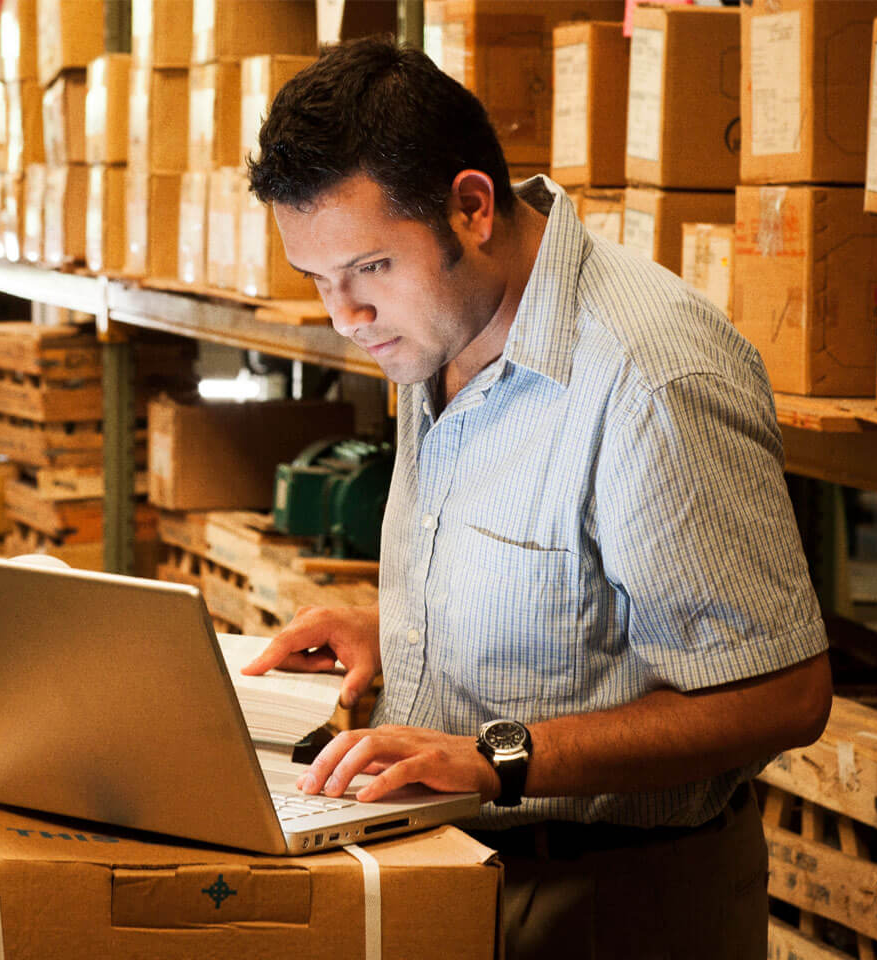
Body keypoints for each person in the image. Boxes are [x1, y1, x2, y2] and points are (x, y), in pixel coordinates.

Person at [236, 36, 831, 959]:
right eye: (318, 280)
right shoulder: (433, 328)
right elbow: (568, 585)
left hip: (613, 899)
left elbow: (783, 694)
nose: (345, 317)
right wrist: (399, 626)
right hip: (458, 872)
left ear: (471, 208)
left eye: (368, 269)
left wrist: (497, 759)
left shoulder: (652, 377)